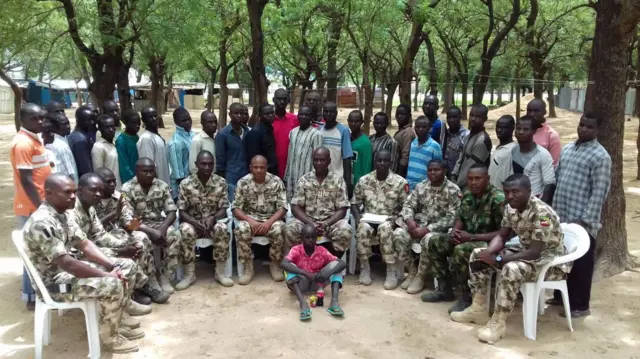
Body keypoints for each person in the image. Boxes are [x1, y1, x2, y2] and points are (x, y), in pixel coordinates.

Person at [23, 173, 142, 353]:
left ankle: (118, 318)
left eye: (73, 191)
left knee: (127, 266)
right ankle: (111, 337)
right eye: (67, 192)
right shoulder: (43, 222)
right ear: (49, 194)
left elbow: (85, 244)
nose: (73, 196)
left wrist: (112, 266)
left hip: (66, 275)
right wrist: (106, 275)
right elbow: (67, 263)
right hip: (54, 285)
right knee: (112, 283)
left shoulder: (62, 214)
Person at [451, 174, 570, 344]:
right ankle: (478, 308)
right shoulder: (511, 208)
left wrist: (500, 259)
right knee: (478, 254)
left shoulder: (543, 213)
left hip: (550, 262)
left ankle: (498, 323)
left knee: (511, 268)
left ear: (529, 191)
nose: (510, 196)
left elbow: (535, 253)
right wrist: (490, 253)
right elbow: (502, 235)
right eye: (507, 192)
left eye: (515, 192)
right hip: (526, 252)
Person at [67, 173, 165, 306]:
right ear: (80, 190)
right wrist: (120, 251)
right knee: (125, 260)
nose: (98, 194)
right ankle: (134, 292)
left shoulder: (94, 206)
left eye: (100, 190)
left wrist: (125, 245)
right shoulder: (72, 212)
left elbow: (102, 234)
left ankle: (143, 285)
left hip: (104, 241)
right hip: (81, 254)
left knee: (138, 243)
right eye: (93, 190)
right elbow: (82, 249)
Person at [549, 113, 611, 317]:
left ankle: (580, 305)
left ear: (598, 131)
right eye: (582, 125)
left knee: (582, 264)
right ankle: (560, 297)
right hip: (563, 214)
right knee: (562, 258)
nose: (583, 129)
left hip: (582, 221)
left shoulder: (600, 156)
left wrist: (585, 220)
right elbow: (558, 178)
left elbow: (599, 192)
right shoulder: (568, 149)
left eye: (589, 127)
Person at [422, 164, 505, 313]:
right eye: (470, 179)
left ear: (487, 179)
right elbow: (461, 218)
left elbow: (503, 233)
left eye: (478, 179)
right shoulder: (467, 194)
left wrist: (472, 237)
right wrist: (455, 231)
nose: (473, 183)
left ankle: (467, 297)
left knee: (461, 251)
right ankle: (444, 289)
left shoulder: (497, 199)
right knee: (435, 242)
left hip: (489, 243)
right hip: (467, 237)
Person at [397, 159, 461, 294]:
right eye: (430, 170)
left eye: (436, 170)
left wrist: (427, 229)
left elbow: (452, 217)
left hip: (438, 230)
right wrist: (409, 220)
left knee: (428, 239)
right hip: (418, 225)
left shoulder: (453, 190)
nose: (432, 173)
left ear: (444, 171)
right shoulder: (421, 186)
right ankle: (412, 270)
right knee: (399, 234)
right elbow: (408, 205)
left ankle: (421, 276)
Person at [11, 103, 52, 309]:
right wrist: (41, 207)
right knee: (32, 251)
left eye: (43, 118)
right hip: (31, 207)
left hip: (40, 204)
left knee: (41, 251)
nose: (41, 122)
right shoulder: (23, 144)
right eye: (35, 119)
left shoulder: (34, 138)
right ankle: (31, 297)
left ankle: (39, 291)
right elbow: (26, 179)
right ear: (23, 119)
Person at [121, 158, 182, 295]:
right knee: (142, 238)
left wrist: (162, 229)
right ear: (137, 171)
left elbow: (171, 211)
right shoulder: (127, 188)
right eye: (145, 171)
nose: (149, 174)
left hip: (158, 224)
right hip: (137, 227)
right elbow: (127, 220)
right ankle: (151, 278)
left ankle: (165, 276)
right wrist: (151, 232)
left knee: (175, 234)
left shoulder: (162, 186)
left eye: (151, 171)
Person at [351, 150, 408, 289]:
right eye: (379, 160)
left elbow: (407, 207)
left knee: (385, 228)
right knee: (362, 227)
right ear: (374, 162)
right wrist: (358, 218)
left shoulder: (400, 182)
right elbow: (354, 203)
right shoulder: (365, 180)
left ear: (390, 162)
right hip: (369, 219)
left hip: (390, 221)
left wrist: (396, 221)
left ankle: (391, 271)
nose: (382, 163)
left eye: (385, 161)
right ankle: (364, 268)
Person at [285, 147, 353, 257]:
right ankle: (301, 262)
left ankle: (332, 264)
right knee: (290, 229)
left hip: (330, 222)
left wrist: (326, 224)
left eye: (322, 160)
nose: (319, 163)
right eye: (316, 160)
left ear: (329, 161)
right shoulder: (304, 180)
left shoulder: (338, 180)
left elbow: (342, 209)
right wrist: (311, 224)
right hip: (307, 221)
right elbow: (295, 207)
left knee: (345, 231)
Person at [178, 150, 232, 288]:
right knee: (185, 230)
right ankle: (189, 274)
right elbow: (182, 211)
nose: (207, 167)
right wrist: (194, 223)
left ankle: (220, 273)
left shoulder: (221, 182)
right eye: (203, 164)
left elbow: (223, 209)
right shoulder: (186, 184)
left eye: (210, 164)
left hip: (212, 222)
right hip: (192, 222)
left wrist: (213, 219)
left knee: (222, 228)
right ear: (196, 164)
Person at [232, 155, 288, 284]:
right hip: (250, 220)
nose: (258, 170)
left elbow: (283, 207)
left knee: (279, 228)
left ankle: (275, 265)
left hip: (271, 219)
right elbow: (235, 208)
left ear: (266, 168)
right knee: (241, 228)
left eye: (262, 167)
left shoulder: (276, 182)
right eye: (255, 167)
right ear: (250, 168)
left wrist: (269, 223)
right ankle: (248, 268)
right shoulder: (243, 183)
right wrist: (249, 220)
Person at [281, 224, 347, 321]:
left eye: (313, 237)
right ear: (301, 238)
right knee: (289, 268)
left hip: (318, 283)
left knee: (336, 267)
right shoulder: (296, 250)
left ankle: (334, 303)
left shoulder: (321, 250)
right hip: (301, 283)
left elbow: (342, 263)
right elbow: (283, 263)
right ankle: (303, 304)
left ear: (317, 238)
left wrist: (328, 273)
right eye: (307, 237)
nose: (310, 240)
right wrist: (305, 273)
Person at [512, 115, 555, 202]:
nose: (521, 132)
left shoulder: (542, 154)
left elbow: (549, 183)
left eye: (526, 129)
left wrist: (541, 206)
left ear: (534, 131)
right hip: (514, 202)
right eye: (518, 128)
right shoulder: (513, 151)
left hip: (533, 202)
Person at [283, 105, 323, 200]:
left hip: (307, 179)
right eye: (301, 114)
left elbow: (318, 160)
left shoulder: (316, 134)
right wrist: (286, 176)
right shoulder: (293, 132)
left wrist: (316, 180)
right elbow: (290, 156)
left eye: (307, 115)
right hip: (291, 179)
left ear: (311, 117)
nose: (303, 117)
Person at [452, 104, 492, 188]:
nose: (473, 119)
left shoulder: (482, 141)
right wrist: (453, 176)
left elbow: (471, 168)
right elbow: (460, 159)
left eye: (478, 116)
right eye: (471, 115)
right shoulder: (468, 136)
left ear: (485, 119)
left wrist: (457, 185)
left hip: (471, 187)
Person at [216, 102, 249, 201]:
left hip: (247, 178)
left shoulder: (248, 132)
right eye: (236, 113)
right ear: (230, 114)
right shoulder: (223, 134)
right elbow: (220, 160)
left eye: (242, 113)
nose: (239, 116)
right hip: (231, 179)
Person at [319, 101, 353, 195]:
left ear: (336, 113)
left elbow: (347, 158)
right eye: (326, 111)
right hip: (320, 178)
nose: (328, 114)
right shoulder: (319, 130)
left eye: (331, 112)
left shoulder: (343, 130)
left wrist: (347, 181)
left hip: (337, 178)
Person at [406, 116, 443, 190]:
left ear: (429, 128)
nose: (420, 129)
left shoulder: (434, 146)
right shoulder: (413, 143)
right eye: (418, 127)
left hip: (425, 187)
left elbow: (438, 167)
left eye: (424, 127)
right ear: (414, 128)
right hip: (409, 185)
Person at [137, 107, 170, 186]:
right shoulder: (146, 139)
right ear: (143, 120)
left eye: (155, 116)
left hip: (164, 184)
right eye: (150, 117)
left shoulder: (156, 136)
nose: (154, 119)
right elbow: (148, 167)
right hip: (156, 187)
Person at [272, 89, 299, 179]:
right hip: (272, 167)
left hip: (291, 167)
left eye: (284, 99)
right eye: (279, 99)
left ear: (289, 100)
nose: (282, 102)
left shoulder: (295, 119)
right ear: (273, 100)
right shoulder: (267, 120)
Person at [245, 104, 278, 176]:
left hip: (271, 171)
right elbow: (253, 157)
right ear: (260, 115)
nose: (271, 116)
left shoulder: (269, 129)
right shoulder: (255, 133)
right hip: (261, 173)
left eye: (272, 113)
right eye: (267, 114)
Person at [168, 107, 194, 196]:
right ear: (176, 122)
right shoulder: (175, 143)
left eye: (189, 119)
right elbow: (178, 175)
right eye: (184, 120)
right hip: (183, 189)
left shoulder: (192, 134)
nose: (188, 122)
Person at [45, 111, 78, 182]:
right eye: (64, 124)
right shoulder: (61, 146)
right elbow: (71, 171)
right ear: (54, 127)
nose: (68, 126)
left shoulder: (64, 139)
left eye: (68, 123)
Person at [527, 99, 561, 166]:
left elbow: (554, 164)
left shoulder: (551, 135)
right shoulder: (522, 131)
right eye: (529, 110)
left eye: (536, 111)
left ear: (544, 112)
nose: (531, 114)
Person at [92, 114, 121, 189]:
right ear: (100, 129)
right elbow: (98, 173)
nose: (111, 129)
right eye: (107, 127)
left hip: (119, 187)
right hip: (109, 190)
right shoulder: (98, 147)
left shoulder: (114, 143)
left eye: (112, 126)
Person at [68, 105, 97, 177]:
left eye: (93, 119)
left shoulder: (78, 135)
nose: (92, 122)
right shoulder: (80, 140)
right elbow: (85, 168)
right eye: (89, 120)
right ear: (78, 121)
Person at [489, 115, 516, 190]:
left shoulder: (512, 150)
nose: (499, 130)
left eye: (503, 127)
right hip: (492, 193)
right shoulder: (498, 148)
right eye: (497, 127)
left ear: (512, 128)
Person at [442, 106, 470, 177]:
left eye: (454, 117)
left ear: (460, 118)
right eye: (449, 117)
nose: (451, 120)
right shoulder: (445, 133)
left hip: (458, 176)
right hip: (444, 175)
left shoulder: (466, 135)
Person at [348, 110, 373, 186]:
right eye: (351, 121)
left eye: (357, 121)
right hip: (346, 182)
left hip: (358, 185)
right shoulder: (346, 139)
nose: (353, 124)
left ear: (362, 122)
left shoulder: (365, 143)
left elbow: (367, 167)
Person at [115, 109, 140, 184]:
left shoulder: (137, 137)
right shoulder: (121, 141)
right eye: (133, 123)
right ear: (125, 123)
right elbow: (124, 165)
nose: (137, 126)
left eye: (139, 122)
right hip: (131, 181)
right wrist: (133, 180)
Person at [188, 110, 217, 174]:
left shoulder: (217, 138)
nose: (214, 125)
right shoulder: (197, 141)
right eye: (210, 122)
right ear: (202, 123)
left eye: (215, 122)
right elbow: (193, 168)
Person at [393, 104, 415, 178]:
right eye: (397, 114)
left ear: (409, 116)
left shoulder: (408, 132)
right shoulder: (402, 130)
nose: (399, 116)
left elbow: (405, 156)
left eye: (402, 114)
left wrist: (398, 176)